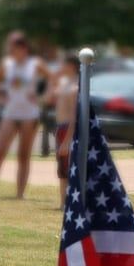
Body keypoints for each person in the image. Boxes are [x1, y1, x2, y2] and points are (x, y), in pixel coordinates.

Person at [0, 32, 50, 199]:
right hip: (10, 114)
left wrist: (43, 98)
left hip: (30, 115)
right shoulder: (7, 64)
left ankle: (20, 194)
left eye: (13, 46)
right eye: (9, 46)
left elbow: (52, 79)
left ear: (23, 48)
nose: (10, 50)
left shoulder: (35, 63)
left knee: (23, 155)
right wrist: (0, 96)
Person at [49, 55, 80, 209]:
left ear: (72, 66)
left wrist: (67, 141)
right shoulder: (63, 83)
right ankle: (63, 202)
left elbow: (75, 116)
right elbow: (48, 98)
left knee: (69, 166)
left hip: (68, 127)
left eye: (64, 64)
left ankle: (71, 202)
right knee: (61, 168)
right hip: (60, 126)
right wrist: (52, 79)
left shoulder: (75, 87)